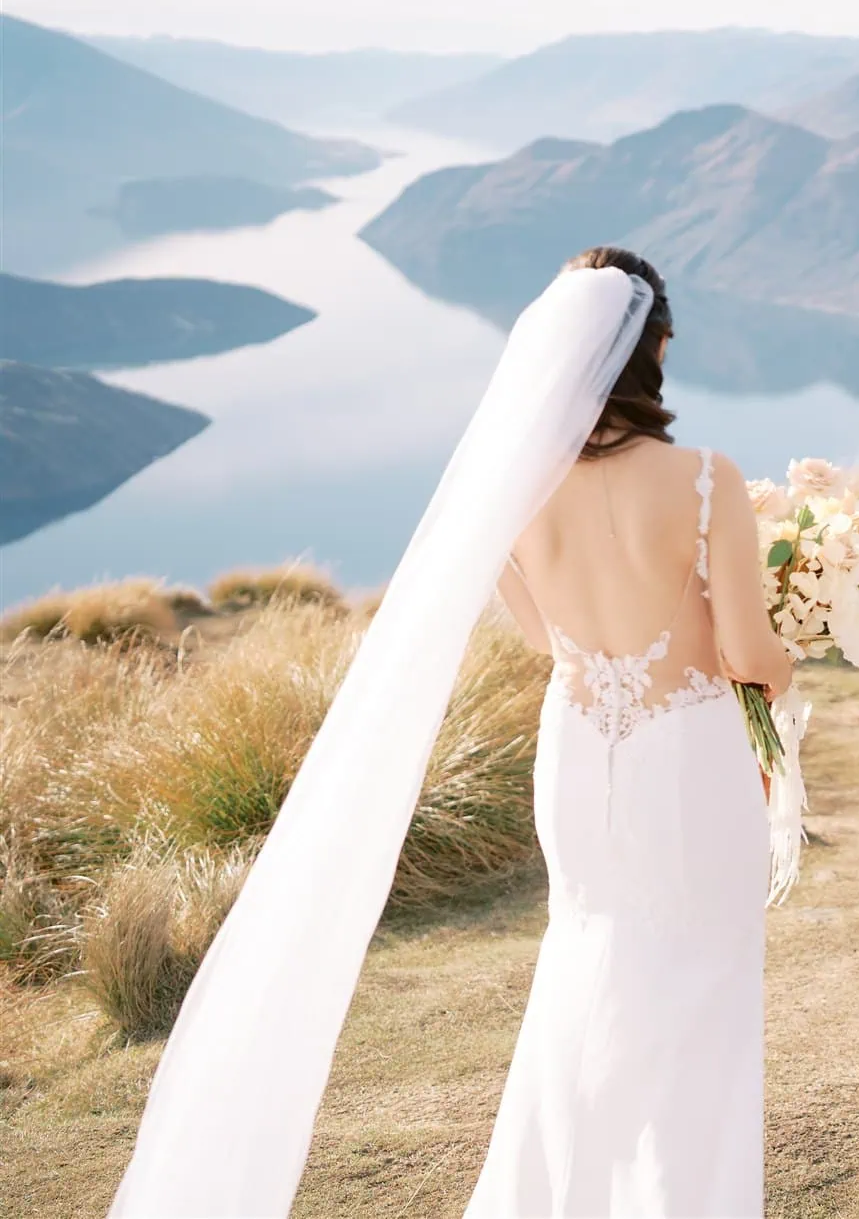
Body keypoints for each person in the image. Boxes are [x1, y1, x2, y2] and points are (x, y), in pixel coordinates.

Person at [107, 248, 794, 1218]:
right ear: (657, 349)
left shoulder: (514, 488)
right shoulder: (705, 480)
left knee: (585, 966)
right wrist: (788, 658)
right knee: (699, 982)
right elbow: (745, 653)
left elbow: (539, 637)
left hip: (577, 756)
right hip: (684, 760)